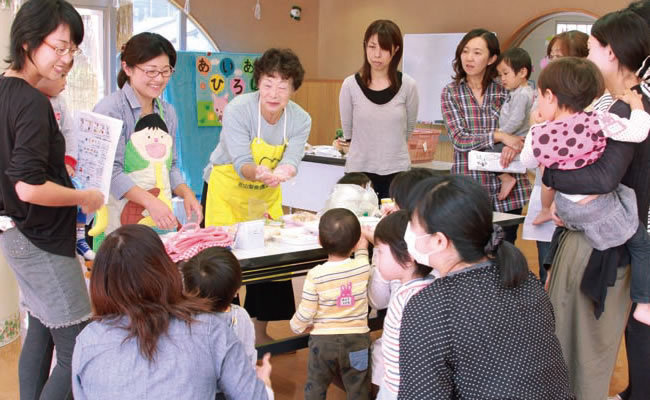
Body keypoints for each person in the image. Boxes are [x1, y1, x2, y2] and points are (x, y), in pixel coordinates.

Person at [540, 10, 650, 400]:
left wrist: (552, 177)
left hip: (601, 245)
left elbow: (604, 178)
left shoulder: (627, 109)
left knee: (578, 355)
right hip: (604, 239)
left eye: (592, 49)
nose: (588, 58)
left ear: (613, 53)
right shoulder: (622, 104)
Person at [0, 1, 104, 398]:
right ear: (28, 42)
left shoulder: (6, 89)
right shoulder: (29, 102)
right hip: (38, 237)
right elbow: (28, 186)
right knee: (79, 345)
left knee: (42, 328)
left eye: (73, 49)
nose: (66, 59)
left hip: (17, 234)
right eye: (59, 47)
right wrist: (85, 195)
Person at [397, 175, 574, 399]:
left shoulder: (432, 306)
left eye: (412, 225)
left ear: (439, 241)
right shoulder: (524, 278)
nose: (408, 233)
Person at [71, 225, 273, 399]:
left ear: (100, 281)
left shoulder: (87, 341)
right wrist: (264, 383)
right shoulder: (210, 329)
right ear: (165, 269)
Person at [520, 57, 650, 325]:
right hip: (597, 208)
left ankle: (551, 277)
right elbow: (638, 132)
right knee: (640, 240)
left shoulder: (538, 134)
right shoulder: (599, 121)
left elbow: (527, 163)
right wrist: (637, 107)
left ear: (549, 96)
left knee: (563, 231)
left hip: (565, 208)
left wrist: (538, 128)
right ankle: (644, 303)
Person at [201, 48, 311, 344]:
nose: (274, 93)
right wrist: (262, 173)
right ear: (258, 83)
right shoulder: (239, 109)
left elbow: (293, 159)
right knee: (221, 265)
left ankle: (260, 332)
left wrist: (284, 173)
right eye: (268, 83)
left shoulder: (300, 119)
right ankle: (222, 335)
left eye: (283, 86)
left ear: (293, 88)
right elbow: (241, 162)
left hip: (264, 194)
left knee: (271, 263)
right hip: (226, 189)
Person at [93, 32, 202, 246]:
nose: (159, 79)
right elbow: (110, 173)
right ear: (127, 68)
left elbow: (171, 165)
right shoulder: (110, 109)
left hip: (156, 216)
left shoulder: (167, 111)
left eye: (165, 71)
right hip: (120, 217)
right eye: (151, 71)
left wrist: (186, 193)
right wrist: (150, 201)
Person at [441, 29, 531, 244]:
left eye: (477, 52)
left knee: (505, 251)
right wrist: (499, 136)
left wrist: (512, 141)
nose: (469, 58)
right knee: (469, 250)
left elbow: (523, 129)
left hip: (507, 190)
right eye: (465, 51)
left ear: (492, 58)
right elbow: (460, 139)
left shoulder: (505, 88)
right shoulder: (451, 92)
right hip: (468, 188)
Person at [289, 208, 371, 400]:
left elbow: (307, 311)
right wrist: (362, 245)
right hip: (357, 340)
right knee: (359, 387)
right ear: (355, 242)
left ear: (319, 240)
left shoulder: (316, 275)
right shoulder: (363, 267)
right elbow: (362, 253)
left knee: (316, 386)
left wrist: (296, 326)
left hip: (323, 343)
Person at [338, 19, 419, 200]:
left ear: (395, 50)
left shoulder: (408, 85)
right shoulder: (350, 85)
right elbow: (348, 131)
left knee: (392, 225)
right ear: (365, 46)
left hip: (397, 172)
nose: (376, 55)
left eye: (383, 48)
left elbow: (408, 128)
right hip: (359, 173)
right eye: (372, 47)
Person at [370, 210, 435, 400]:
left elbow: (395, 372)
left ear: (407, 257)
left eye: (380, 252)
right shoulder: (434, 287)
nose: (377, 258)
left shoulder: (404, 299)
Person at [35, 74, 96, 261]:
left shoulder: (59, 102)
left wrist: (69, 161)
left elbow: (69, 132)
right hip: (42, 172)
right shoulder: (29, 103)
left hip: (63, 168)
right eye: (60, 77)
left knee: (81, 196)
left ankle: (79, 237)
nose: (65, 82)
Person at [180, 246, 257, 368]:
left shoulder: (180, 318)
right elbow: (247, 361)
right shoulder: (240, 317)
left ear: (186, 287)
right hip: (235, 383)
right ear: (237, 289)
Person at [492, 47, 535, 200]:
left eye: (505, 73)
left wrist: (500, 133)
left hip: (516, 137)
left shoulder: (523, 94)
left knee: (489, 148)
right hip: (510, 136)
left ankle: (506, 178)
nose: (502, 78)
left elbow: (516, 120)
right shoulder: (517, 92)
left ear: (522, 73)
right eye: (500, 75)